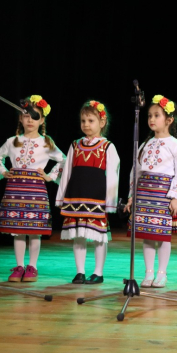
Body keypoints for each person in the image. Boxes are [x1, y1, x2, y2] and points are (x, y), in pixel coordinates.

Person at [0, 95, 65, 282]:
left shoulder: (46, 142)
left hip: (36, 191)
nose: (30, 120)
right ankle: (19, 266)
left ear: (42, 120)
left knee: (34, 230)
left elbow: (64, 160)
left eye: (35, 116)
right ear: (20, 118)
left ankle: (32, 266)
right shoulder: (12, 141)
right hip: (15, 190)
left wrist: (50, 176)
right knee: (18, 229)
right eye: (26, 116)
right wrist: (3, 171)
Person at [55, 100, 120, 285]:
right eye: (83, 120)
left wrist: (110, 202)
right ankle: (80, 271)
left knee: (99, 236)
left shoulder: (107, 146)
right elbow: (67, 172)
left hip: (97, 198)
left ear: (102, 122)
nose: (86, 124)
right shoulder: (75, 145)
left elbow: (113, 175)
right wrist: (61, 197)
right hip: (76, 196)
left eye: (91, 120)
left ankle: (98, 272)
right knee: (78, 234)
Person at [125, 94, 177, 288]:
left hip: (163, 194)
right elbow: (135, 172)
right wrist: (132, 196)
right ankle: (148, 272)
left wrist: (175, 197)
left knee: (162, 235)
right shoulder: (144, 145)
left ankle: (162, 273)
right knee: (148, 234)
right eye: (149, 115)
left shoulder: (176, 145)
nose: (151, 119)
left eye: (156, 115)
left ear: (169, 119)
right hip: (145, 193)